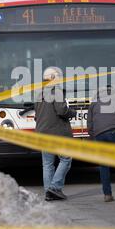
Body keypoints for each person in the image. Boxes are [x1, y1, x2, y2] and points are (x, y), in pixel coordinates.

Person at [34, 67, 76, 201]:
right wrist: (72, 112)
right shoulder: (56, 90)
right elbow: (62, 110)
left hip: (42, 132)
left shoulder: (38, 92)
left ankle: (48, 193)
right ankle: (55, 187)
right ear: (53, 78)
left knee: (47, 164)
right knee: (66, 159)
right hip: (57, 133)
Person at [87, 85, 115, 202]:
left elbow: (89, 126)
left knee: (104, 166)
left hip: (100, 134)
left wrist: (95, 138)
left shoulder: (94, 102)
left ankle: (107, 194)